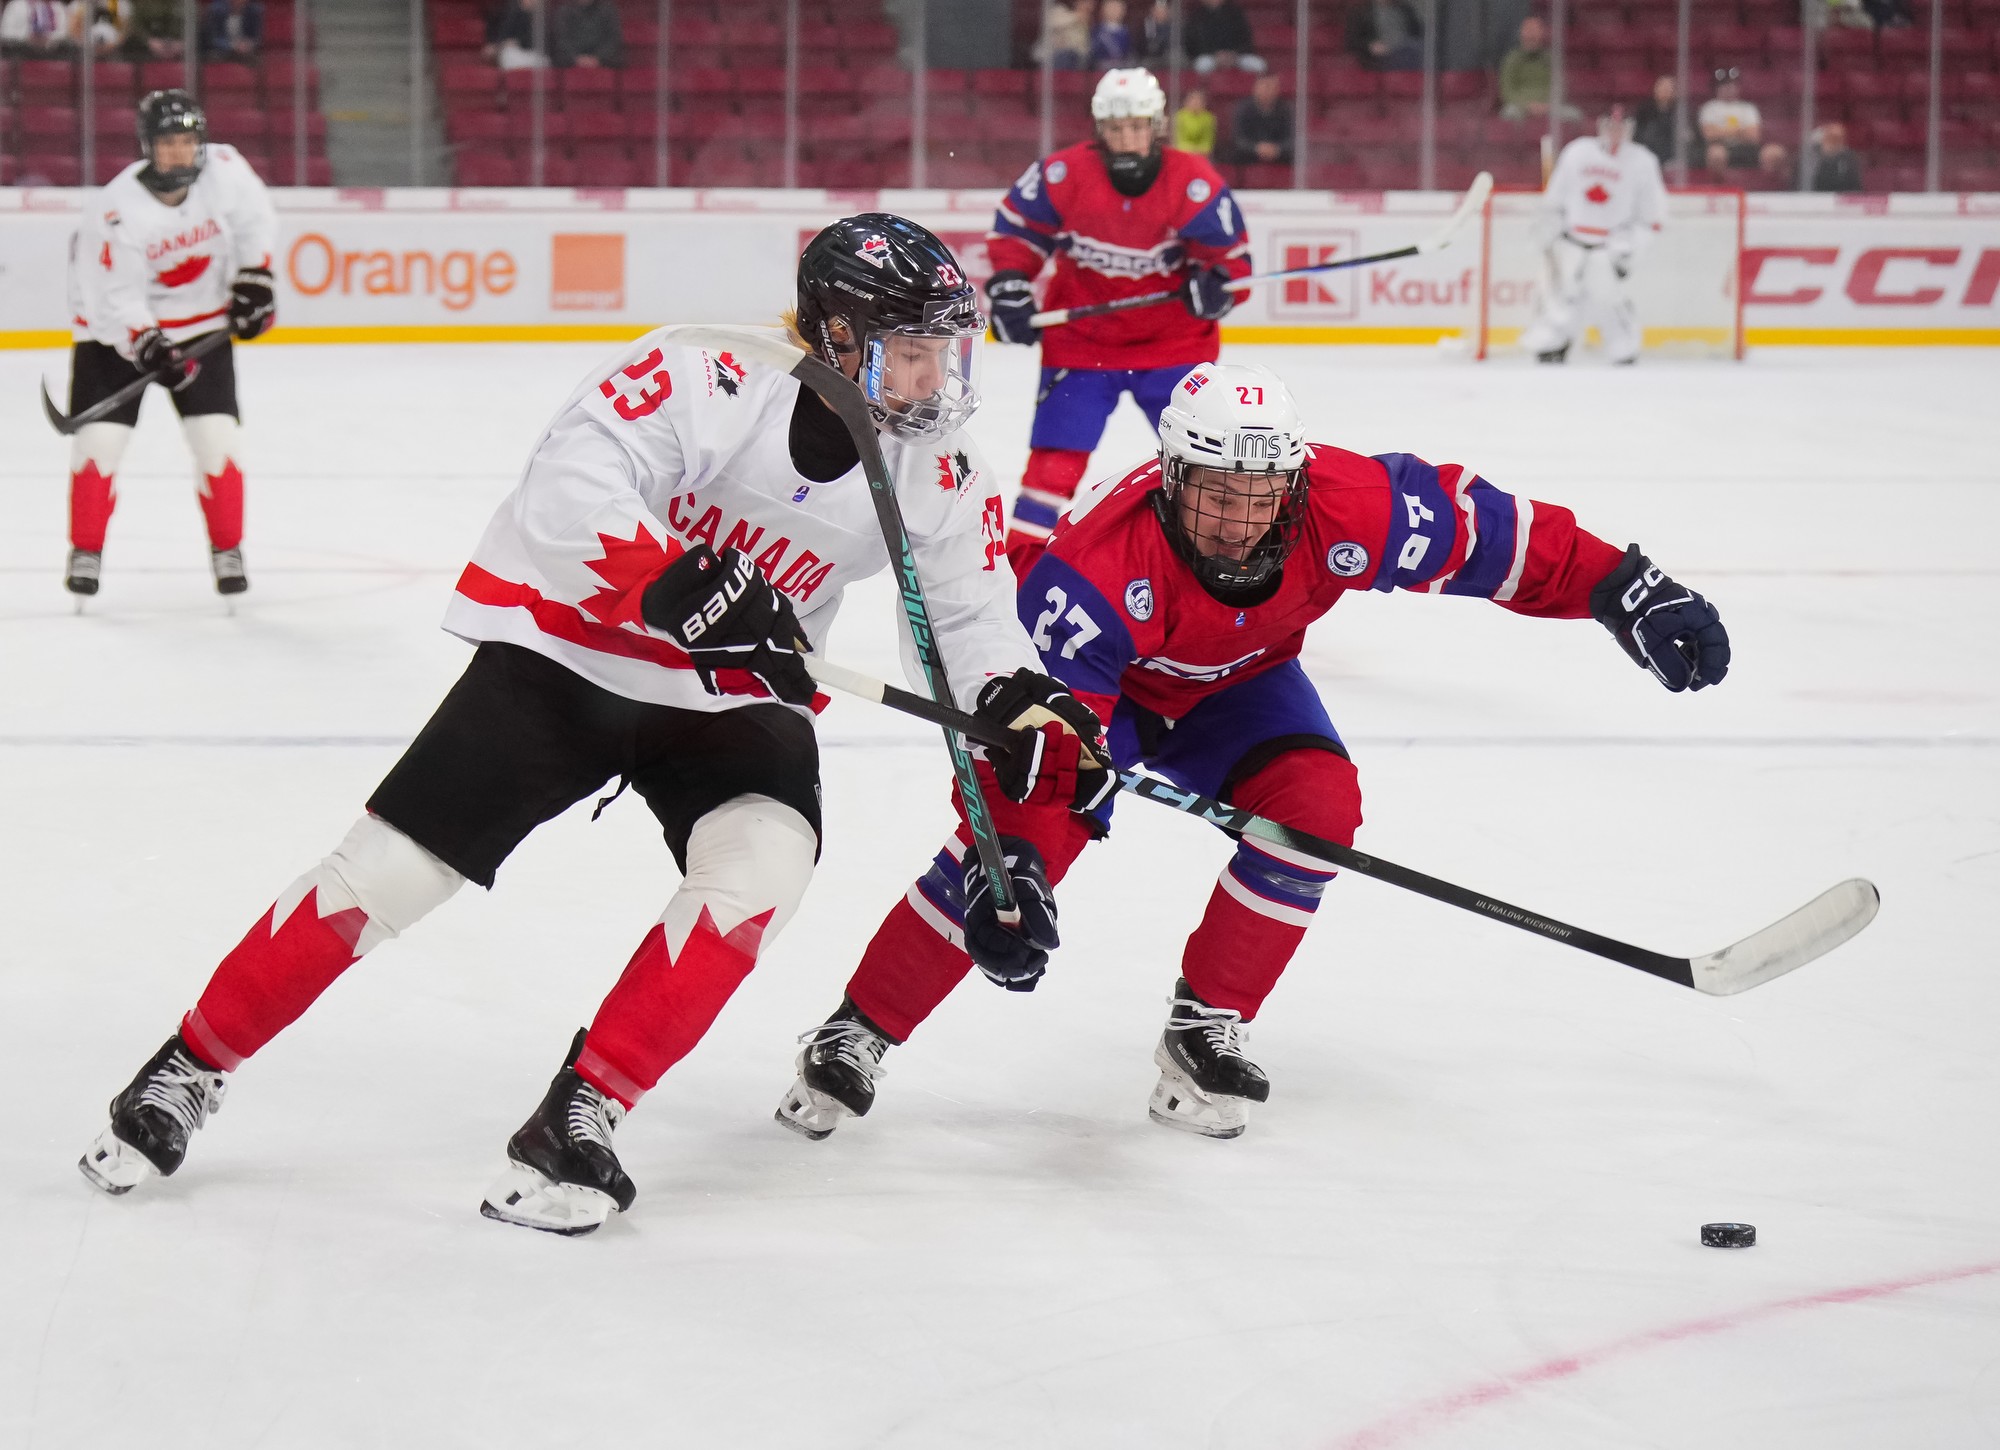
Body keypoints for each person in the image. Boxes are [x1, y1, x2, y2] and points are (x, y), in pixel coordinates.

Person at [76, 214, 1107, 1238]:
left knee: (763, 870)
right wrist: (671, 576)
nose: (934, 380)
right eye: (912, 352)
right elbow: (571, 483)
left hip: (733, 697)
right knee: (387, 873)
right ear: (837, 335)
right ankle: (188, 1066)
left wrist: (1015, 695)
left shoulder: (941, 467)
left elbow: (968, 617)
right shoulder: (707, 373)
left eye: (944, 353)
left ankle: (582, 1113)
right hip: (573, 658)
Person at [774, 361, 1730, 1143]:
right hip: (1104, 699)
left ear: (1295, 485)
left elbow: (1488, 535)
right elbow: (1035, 750)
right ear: (1173, 478)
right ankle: (859, 1029)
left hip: (1239, 687)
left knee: (1318, 809)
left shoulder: (1347, 505)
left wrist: (1622, 585)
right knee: (1017, 864)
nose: (1238, 521)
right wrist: (1014, 856)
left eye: (1261, 495)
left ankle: (1205, 1025)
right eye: (1216, 495)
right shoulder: (1090, 572)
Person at [984, 66, 1250, 576]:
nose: (1126, 138)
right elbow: (1017, 233)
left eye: (1137, 126)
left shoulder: (1193, 182)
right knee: (1051, 470)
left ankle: (1219, 563)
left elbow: (1231, 262)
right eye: (1115, 127)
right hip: (1082, 346)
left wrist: (1212, 286)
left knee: (1206, 467)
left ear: (1157, 125)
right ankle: (1017, 576)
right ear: (1098, 128)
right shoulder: (1062, 175)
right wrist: (1011, 286)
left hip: (1173, 347)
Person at [63, 90, 277, 601]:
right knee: (98, 444)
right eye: (167, 142)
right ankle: (85, 550)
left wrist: (255, 277)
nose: (179, 152)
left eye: (187, 140)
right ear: (147, 146)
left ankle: (228, 549)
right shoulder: (114, 211)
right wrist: (147, 343)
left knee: (217, 441)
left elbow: (255, 220)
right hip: (111, 338)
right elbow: (114, 298)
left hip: (201, 327)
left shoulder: (225, 170)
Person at [1518, 105, 1668, 365]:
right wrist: (1546, 231)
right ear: (1601, 126)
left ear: (1631, 129)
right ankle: (1552, 345)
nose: (1615, 132)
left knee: (1609, 301)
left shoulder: (1643, 161)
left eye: (1621, 126)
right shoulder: (1577, 152)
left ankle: (1623, 349)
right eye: (1610, 125)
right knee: (1560, 298)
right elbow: (1555, 199)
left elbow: (1651, 215)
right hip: (1571, 241)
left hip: (1610, 245)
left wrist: (1631, 248)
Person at [1498, 17, 1579, 121]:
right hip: (1520, 107)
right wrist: (1527, 105)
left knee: (1574, 115)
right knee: (1509, 113)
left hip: (1550, 106)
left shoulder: (1551, 59)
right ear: (1521, 35)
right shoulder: (1511, 59)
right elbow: (1507, 91)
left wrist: (1546, 105)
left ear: (1542, 34)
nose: (1531, 36)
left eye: (1534, 32)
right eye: (1528, 32)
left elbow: (1560, 87)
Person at [1699, 67, 1765, 170]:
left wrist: (1721, 131)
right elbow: (1710, 135)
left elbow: (1754, 136)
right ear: (1717, 88)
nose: (1729, 88)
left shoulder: (1748, 108)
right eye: (1724, 85)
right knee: (1717, 154)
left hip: (1745, 148)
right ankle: (1718, 181)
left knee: (1774, 153)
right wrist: (1740, 131)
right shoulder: (1709, 108)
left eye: (1732, 85)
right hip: (1719, 147)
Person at [1185, 0, 1265, 74]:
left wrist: (1233, 54)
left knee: (1258, 65)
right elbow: (1193, 43)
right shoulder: (1196, 17)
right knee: (1201, 66)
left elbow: (1246, 39)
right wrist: (1216, 55)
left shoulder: (1235, 13)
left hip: (1236, 56)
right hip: (1211, 57)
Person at [1230, 73, 1294, 165]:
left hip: (1280, 157)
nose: (1266, 91)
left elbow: (1292, 138)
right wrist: (1256, 148)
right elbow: (1238, 139)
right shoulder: (1243, 109)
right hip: (1249, 156)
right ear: (1255, 89)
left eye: (1270, 87)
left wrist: (1277, 149)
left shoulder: (1287, 110)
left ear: (1277, 89)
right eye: (1263, 87)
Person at [1343, 0, 1422, 72]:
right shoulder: (1361, 12)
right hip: (1381, 55)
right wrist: (1370, 46)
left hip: (1407, 48)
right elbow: (1351, 41)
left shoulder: (1405, 9)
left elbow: (1418, 32)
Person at [1632, 75, 1691, 169]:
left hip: (1671, 156)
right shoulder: (1645, 109)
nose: (1665, 90)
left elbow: (1684, 136)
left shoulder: (1680, 111)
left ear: (1674, 91)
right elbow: (1638, 135)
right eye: (1662, 87)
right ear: (1655, 89)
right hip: (1648, 153)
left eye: (1668, 88)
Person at [552, 0, 620, 68]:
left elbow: (613, 38)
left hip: (603, 59)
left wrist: (598, 57)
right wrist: (577, 58)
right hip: (570, 59)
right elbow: (561, 38)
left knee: (616, 57)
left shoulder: (608, 9)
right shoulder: (564, 10)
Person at [1, 0, 78, 57]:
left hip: (52, 56)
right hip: (20, 55)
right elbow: (5, 33)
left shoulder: (58, 7)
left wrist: (48, 39)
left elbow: (64, 34)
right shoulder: (16, 5)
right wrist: (27, 38)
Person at [483, 0, 542, 68]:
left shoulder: (542, 17)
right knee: (508, 54)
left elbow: (538, 41)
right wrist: (496, 45)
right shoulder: (511, 10)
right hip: (512, 51)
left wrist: (517, 42)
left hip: (533, 52)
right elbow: (502, 33)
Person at [1035, 0, 1090, 70]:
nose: (1088, 6)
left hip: (1077, 58)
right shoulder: (1059, 10)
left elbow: (1084, 47)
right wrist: (1077, 16)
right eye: (1085, 2)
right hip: (1053, 55)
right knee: (1065, 55)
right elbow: (1052, 22)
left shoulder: (1086, 22)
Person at [1810, 122, 1863, 192]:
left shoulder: (1848, 158)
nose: (1834, 143)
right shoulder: (1813, 158)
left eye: (1837, 139)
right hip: (1816, 196)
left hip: (1842, 195)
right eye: (1831, 138)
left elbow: (1855, 185)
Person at [1172, 87, 1216, 156]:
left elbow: (1207, 142)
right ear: (1186, 102)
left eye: (1199, 100)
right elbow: (1178, 141)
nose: (1196, 103)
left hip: (1202, 155)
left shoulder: (1209, 119)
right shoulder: (1179, 117)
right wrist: (1192, 150)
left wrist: (1198, 151)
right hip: (1182, 154)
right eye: (1193, 100)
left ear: (1204, 103)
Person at [1089, 0, 1133, 68]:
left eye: (1117, 8)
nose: (1114, 11)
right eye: (1111, 7)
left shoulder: (1128, 32)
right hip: (1100, 69)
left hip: (1124, 68)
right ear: (1103, 10)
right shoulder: (1096, 31)